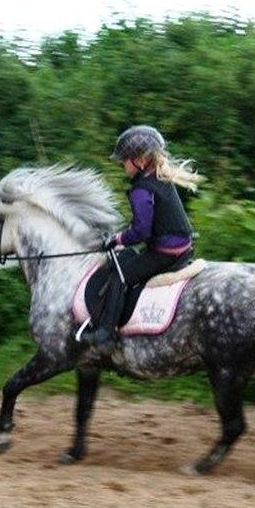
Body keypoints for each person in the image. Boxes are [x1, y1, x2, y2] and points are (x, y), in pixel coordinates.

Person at [79, 125, 202, 352]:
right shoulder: (160, 177)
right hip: (183, 248)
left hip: (165, 253)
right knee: (126, 257)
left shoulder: (142, 189)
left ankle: (106, 335)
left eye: (125, 159)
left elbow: (141, 232)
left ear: (141, 160)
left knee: (120, 275)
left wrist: (116, 239)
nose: (122, 164)